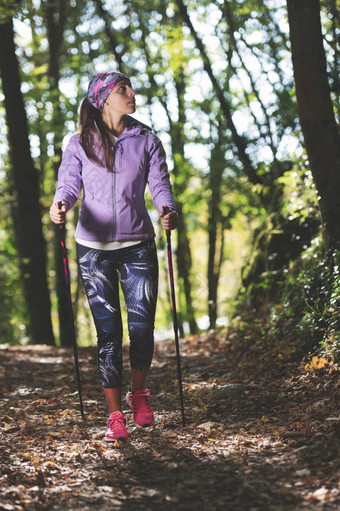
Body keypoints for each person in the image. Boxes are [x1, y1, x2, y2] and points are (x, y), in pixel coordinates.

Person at [50, 71, 178, 442]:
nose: (132, 93)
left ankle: (139, 395)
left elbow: (159, 182)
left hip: (137, 245)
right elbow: (69, 183)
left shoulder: (147, 140)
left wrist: (167, 207)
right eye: (124, 90)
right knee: (107, 333)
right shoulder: (78, 143)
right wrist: (60, 205)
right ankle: (114, 415)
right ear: (104, 98)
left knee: (141, 329)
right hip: (94, 250)